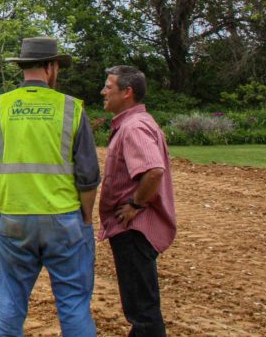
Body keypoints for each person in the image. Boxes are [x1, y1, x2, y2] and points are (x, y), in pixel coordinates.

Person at [0, 36, 100, 337]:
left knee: (11, 305)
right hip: (64, 219)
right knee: (74, 305)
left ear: (22, 67)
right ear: (51, 67)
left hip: (14, 218)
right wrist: (87, 216)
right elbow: (88, 176)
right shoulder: (72, 109)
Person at [99, 66, 176, 337]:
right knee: (142, 308)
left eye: (109, 87)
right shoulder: (138, 123)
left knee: (142, 313)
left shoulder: (133, 127)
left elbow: (154, 170)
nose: (103, 92)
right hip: (135, 230)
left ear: (127, 92)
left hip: (133, 230)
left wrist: (134, 205)